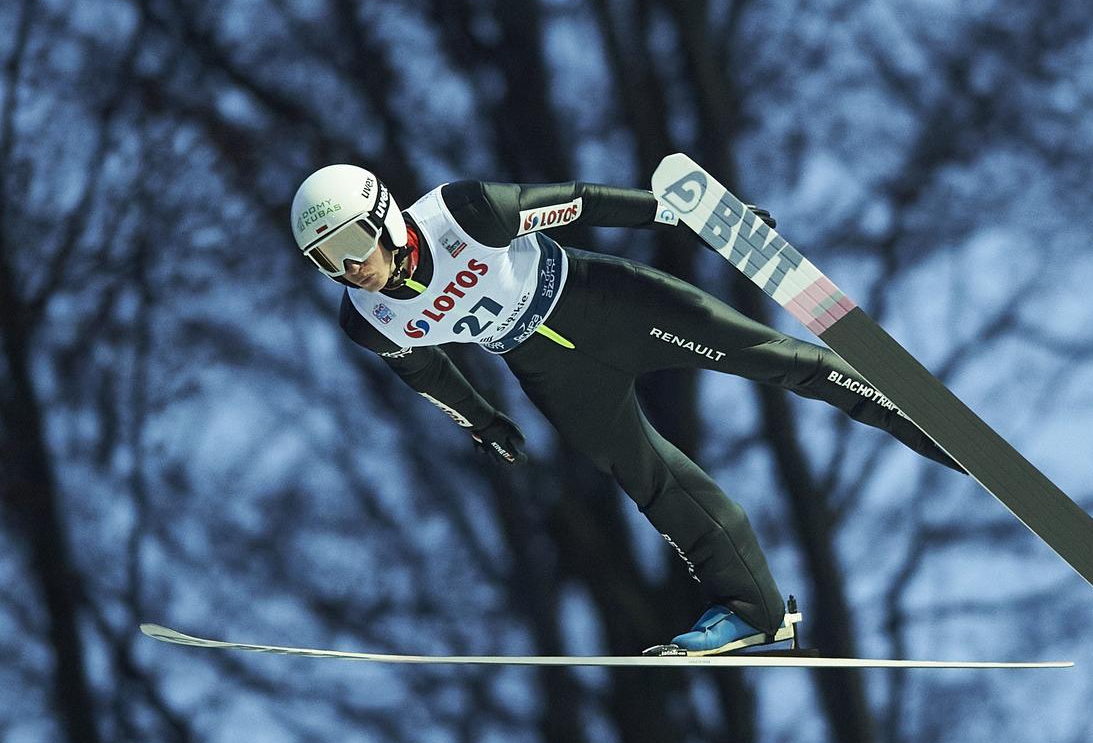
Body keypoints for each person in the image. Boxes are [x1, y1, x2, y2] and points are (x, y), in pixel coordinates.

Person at [290, 164, 962, 655]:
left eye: (352, 245)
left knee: (771, 358)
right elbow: (426, 373)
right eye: (327, 262)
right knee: (651, 482)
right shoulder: (370, 322)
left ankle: (931, 426)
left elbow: (578, 202)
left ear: (385, 217)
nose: (350, 269)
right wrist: (484, 422)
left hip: (605, 303)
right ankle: (754, 611)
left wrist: (689, 216)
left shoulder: (464, 214)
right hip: (549, 370)